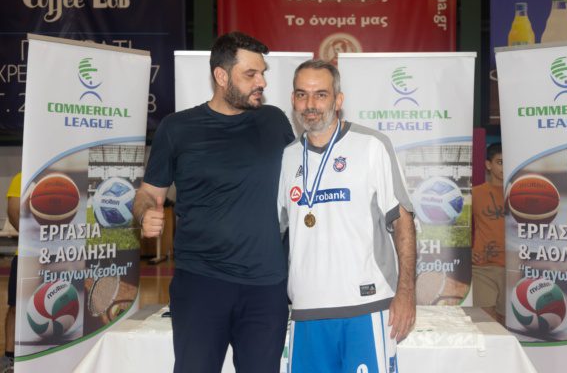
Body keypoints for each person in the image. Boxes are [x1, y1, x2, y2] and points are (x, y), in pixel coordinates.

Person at [133, 32, 295, 373]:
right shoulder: (177, 128)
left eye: (262, 73)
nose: (262, 82)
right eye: (250, 74)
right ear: (221, 76)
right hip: (200, 283)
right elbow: (148, 193)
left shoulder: (275, 121)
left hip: (266, 287)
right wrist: (145, 211)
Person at [277, 60, 416, 372]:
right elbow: (273, 233)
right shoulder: (286, 157)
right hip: (307, 311)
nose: (310, 105)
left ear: (338, 100)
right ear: (293, 100)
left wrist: (406, 293)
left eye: (321, 94)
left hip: (366, 307)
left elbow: (402, 220)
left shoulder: (372, 146)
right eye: (302, 95)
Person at [471, 143, 505, 322]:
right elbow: (457, 228)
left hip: (513, 268)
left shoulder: (519, 192)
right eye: (500, 162)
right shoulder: (475, 194)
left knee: (506, 322)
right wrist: (467, 252)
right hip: (482, 267)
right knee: (486, 322)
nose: (504, 167)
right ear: (488, 164)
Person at [1, 173, 20, 373]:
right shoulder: (21, 177)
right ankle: (9, 356)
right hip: (26, 255)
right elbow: (14, 213)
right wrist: (34, 238)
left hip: (58, 256)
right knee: (15, 307)